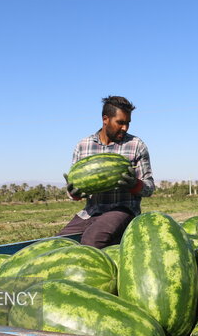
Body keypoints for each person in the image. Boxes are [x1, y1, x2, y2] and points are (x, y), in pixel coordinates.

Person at [56, 96, 155, 248]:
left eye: (127, 123)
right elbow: (75, 185)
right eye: (120, 123)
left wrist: (135, 185)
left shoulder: (136, 145)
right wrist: (74, 193)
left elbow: (149, 187)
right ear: (105, 119)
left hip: (123, 210)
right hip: (91, 212)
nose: (125, 128)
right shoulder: (83, 146)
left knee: (92, 239)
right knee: (58, 243)